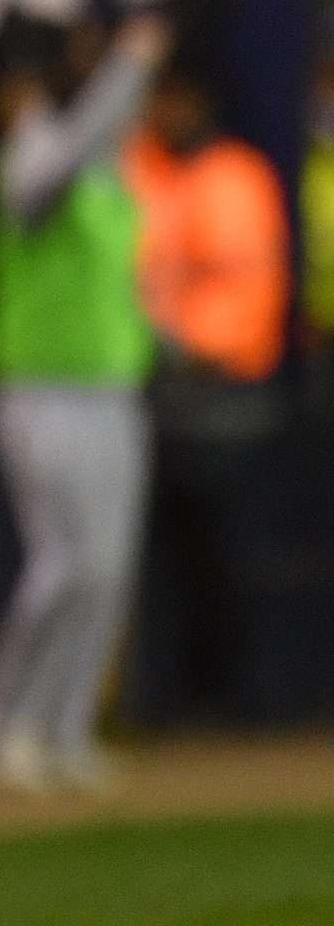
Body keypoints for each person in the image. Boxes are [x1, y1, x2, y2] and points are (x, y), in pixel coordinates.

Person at [0, 12, 167, 792]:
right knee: (65, 562)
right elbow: (62, 162)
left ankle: (65, 727)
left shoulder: (117, 180)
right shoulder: (34, 152)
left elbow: (117, 285)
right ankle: (1, 722)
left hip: (113, 388)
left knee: (111, 569)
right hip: (41, 389)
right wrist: (129, 66)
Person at [124, 53, 287, 725]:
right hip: (149, 394)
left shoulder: (238, 176)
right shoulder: (139, 170)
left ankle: (225, 701)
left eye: (182, 98)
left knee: (223, 559)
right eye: (163, 99)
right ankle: (159, 701)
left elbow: (251, 291)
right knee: (154, 562)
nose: (172, 113)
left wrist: (193, 347)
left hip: (227, 395)